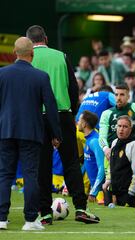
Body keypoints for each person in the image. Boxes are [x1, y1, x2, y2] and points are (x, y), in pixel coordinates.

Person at [26, 25, 100, 224]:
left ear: (28, 41)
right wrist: (72, 113)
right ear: (46, 38)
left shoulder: (27, 57)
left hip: (37, 116)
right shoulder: (61, 55)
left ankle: (45, 213)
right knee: (71, 163)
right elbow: (73, 87)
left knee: (43, 165)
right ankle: (81, 208)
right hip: (63, 115)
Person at [0, 37, 61, 231]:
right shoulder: (41, 77)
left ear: (14, 52)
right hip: (31, 132)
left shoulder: (2, 74)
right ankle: (30, 220)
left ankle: (1, 219)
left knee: (4, 175)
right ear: (32, 54)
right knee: (30, 176)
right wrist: (56, 134)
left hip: (5, 131)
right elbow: (51, 108)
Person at [102, 115, 135, 207]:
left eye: (125, 127)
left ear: (131, 129)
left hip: (128, 194)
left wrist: (131, 193)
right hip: (115, 192)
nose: (121, 129)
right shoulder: (114, 142)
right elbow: (112, 165)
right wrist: (108, 181)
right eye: (119, 126)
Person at [99, 84, 135, 161]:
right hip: (113, 153)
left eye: (122, 95)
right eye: (116, 95)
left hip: (133, 151)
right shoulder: (106, 113)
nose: (118, 98)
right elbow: (102, 137)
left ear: (128, 97)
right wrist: (106, 149)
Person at [78, 111, 105, 203]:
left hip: (101, 192)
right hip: (96, 190)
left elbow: (102, 168)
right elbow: (86, 163)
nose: (77, 122)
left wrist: (94, 192)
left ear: (84, 123)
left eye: (79, 120)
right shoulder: (88, 139)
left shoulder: (94, 141)